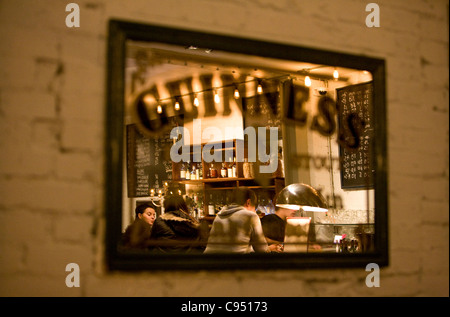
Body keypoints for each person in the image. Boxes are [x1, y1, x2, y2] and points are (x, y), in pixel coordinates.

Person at [204, 188, 276, 254]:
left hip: (209, 262)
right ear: (248, 202)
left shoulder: (219, 215)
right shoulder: (251, 216)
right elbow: (261, 250)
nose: (254, 211)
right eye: (254, 208)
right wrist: (269, 249)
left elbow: (234, 247)